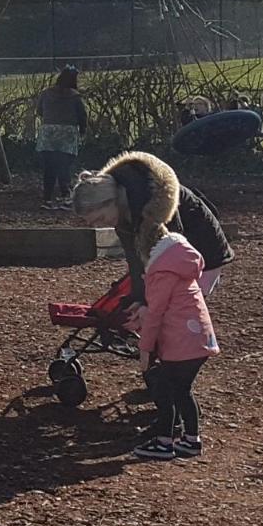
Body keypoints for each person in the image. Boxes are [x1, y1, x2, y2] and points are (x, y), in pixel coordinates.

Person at [71, 151, 235, 303]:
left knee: (182, 309)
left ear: (111, 201)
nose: (101, 224)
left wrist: (152, 303)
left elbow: (177, 256)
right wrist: (139, 298)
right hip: (178, 256)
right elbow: (135, 258)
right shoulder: (121, 213)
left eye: (100, 218)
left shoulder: (154, 203)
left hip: (202, 251)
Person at [133, 231, 220, 460]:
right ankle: (192, 439)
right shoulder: (182, 265)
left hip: (181, 343)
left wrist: (146, 348)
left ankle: (164, 441)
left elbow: (155, 313)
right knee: (182, 390)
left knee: (164, 390)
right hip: (200, 340)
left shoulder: (162, 273)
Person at [35, 65, 88, 210]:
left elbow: (39, 111)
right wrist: (82, 130)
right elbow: (82, 116)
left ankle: (47, 199)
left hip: (48, 133)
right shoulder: (75, 96)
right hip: (67, 134)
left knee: (49, 167)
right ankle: (66, 196)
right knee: (64, 166)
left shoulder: (46, 93)